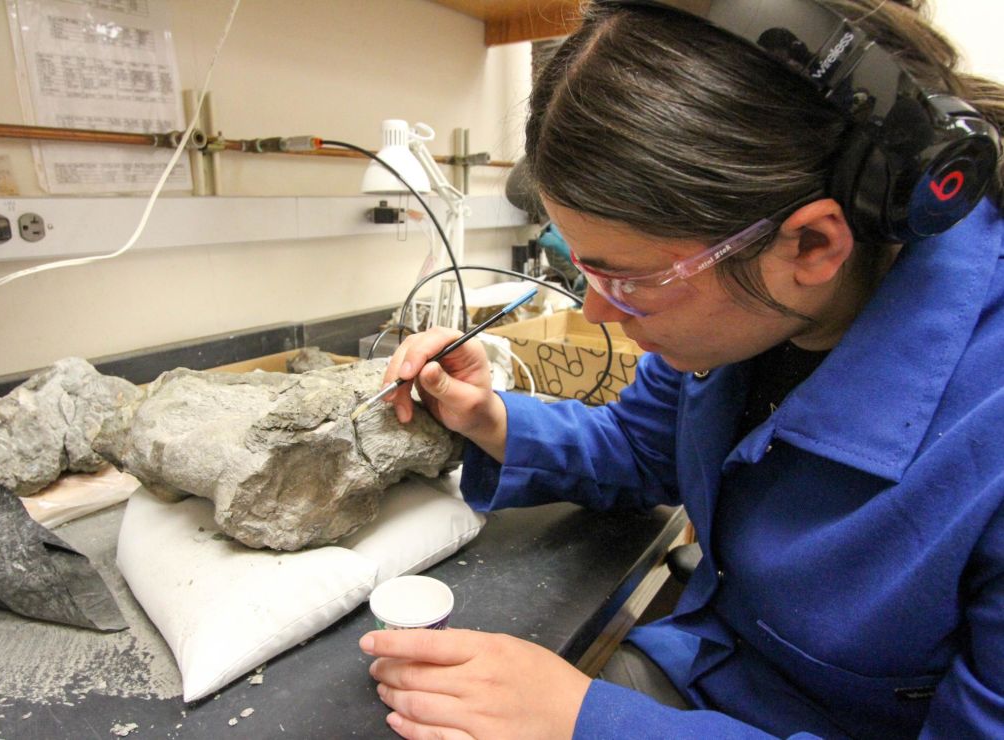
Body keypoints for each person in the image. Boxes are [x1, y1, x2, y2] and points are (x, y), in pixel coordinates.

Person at [358, 0, 1004, 737]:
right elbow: (645, 447)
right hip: (710, 673)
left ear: (812, 246)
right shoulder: (748, 319)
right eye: (584, 271)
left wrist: (592, 722)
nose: (600, 314)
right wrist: (490, 417)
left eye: (627, 280)